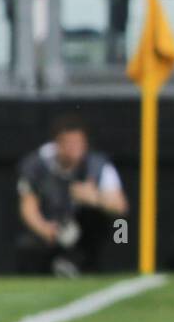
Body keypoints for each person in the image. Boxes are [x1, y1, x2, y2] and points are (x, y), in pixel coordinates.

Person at [16, 115, 128, 276]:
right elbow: (28, 205)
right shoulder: (36, 165)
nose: (75, 149)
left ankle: (75, 264)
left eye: (79, 143)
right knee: (27, 247)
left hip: (83, 236)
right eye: (69, 143)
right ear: (57, 144)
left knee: (97, 218)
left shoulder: (98, 165)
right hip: (49, 227)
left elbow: (120, 207)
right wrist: (44, 228)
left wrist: (95, 198)